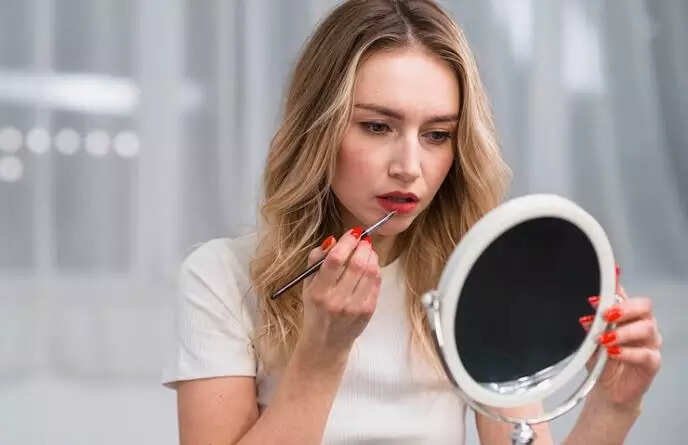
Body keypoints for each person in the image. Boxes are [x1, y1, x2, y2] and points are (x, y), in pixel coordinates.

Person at [161, 1, 663, 443]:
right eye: (377, 126)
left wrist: (614, 408)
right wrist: (322, 353)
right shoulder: (222, 278)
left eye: (437, 135)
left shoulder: (476, 280)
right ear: (318, 129)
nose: (409, 167)